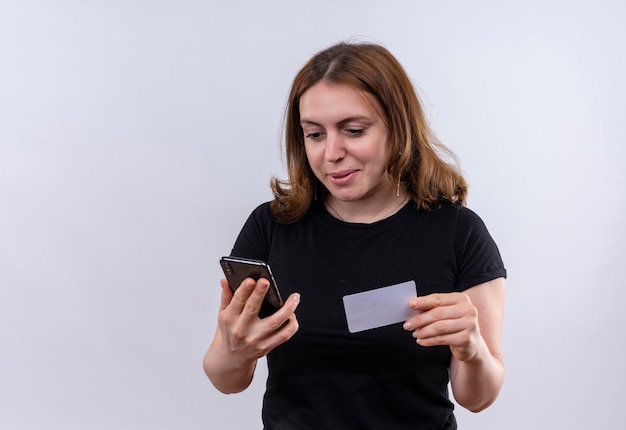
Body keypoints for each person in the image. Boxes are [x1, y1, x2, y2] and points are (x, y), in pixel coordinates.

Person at [203, 41, 507, 429]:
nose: (332, 152)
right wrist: (235, 350)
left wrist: (472, 348)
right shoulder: (271, 227)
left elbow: (478, 398)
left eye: (354, 130)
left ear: (398, 127)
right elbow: (225, 379)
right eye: (314, 134)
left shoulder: (459, 232)